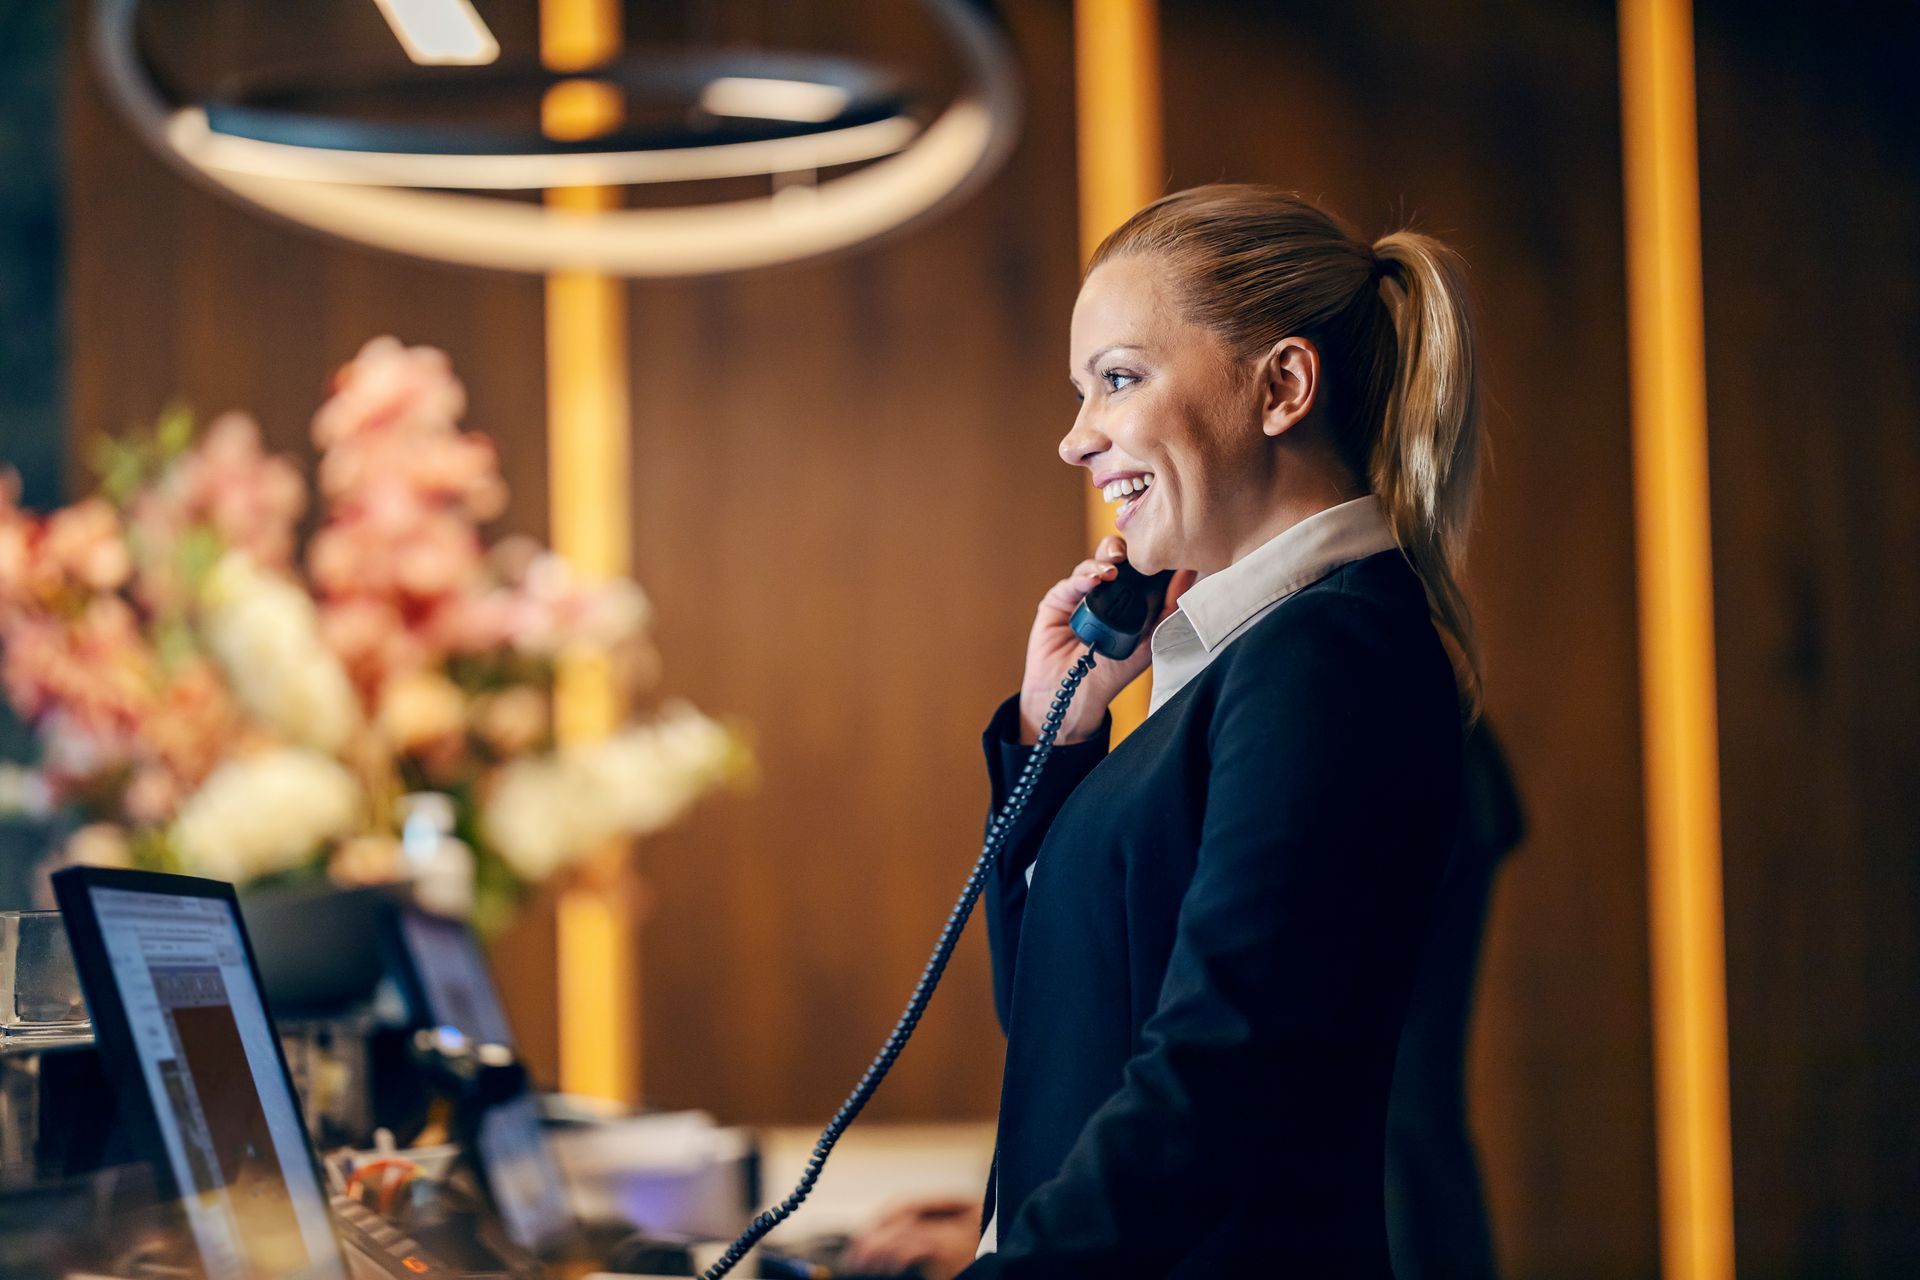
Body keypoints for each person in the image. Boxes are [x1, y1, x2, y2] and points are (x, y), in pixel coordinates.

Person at [845, 184, 1482, 1278]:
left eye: (1120, 379)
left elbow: (1224, 1072)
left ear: (1281, 385)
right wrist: (1059, 739)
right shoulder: (1244, 660)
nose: (1075, 437)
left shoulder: (1326, 660)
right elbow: (1057, 1005)